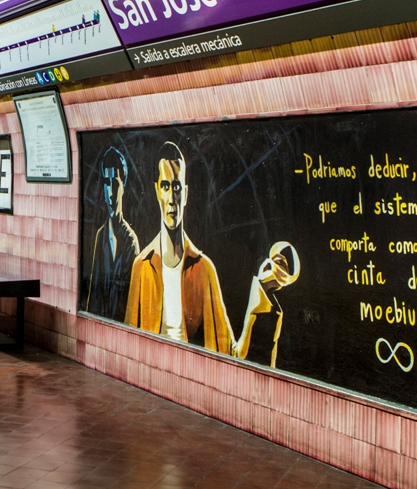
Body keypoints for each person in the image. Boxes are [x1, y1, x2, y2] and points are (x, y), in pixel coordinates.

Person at [124, 141, 299, 366]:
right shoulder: (141, 267)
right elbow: (129, 345)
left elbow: (230, 353)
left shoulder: (204, 270)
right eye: (165, 186)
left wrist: (261, 290)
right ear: (157, 191)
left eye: (176, 187)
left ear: (186, 194)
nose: (171, 199)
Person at [81, 147, 139, 320]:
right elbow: (93, 297)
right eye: (107, 183)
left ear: (123, 186)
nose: (111, 192)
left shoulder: (131, 242)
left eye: (115, 183)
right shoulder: (101, 236)